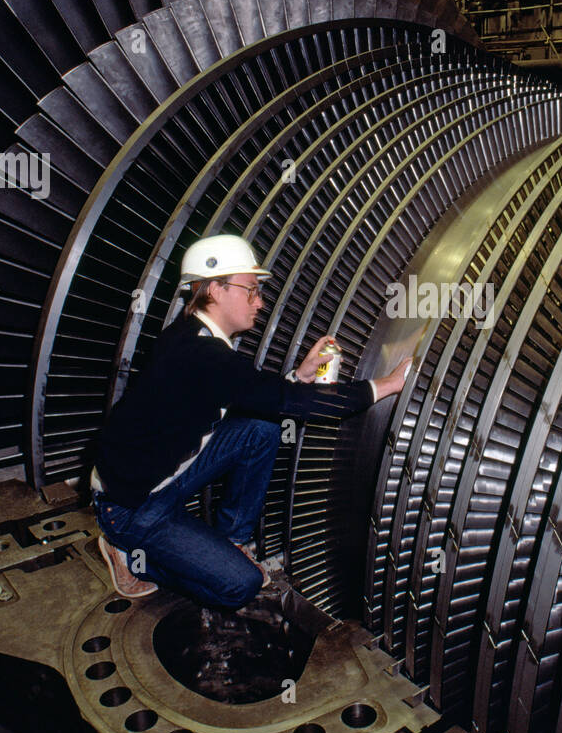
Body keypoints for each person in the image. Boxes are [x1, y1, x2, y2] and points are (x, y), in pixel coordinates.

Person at [88, 234, 411, 608]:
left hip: (154, 479)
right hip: (131, 508)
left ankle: (233, 539)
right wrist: (386, 385)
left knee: (261, 429)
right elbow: (295, 404)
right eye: (251, 290)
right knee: (240, 586)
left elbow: (254, 394)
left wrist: (299, 377)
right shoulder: (203, 354)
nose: (259, 301)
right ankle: (131, 556)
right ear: (215, 289)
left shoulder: (192, 335)